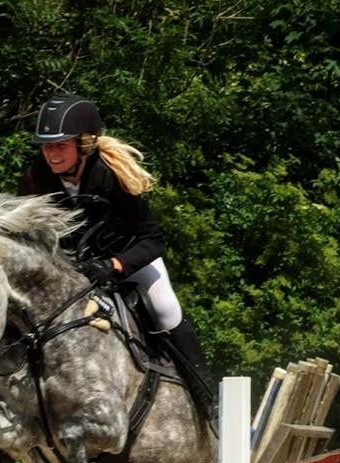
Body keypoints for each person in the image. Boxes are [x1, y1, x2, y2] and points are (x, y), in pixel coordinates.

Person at [20, 94, 217, 423]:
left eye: (60, 145)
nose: (51, 153)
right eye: (46, 146)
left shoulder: (112, 176)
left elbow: (153, 240)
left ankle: (208, 397)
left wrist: (115, 265)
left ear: (83, 145)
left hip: (129, 261)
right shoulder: (35, 181)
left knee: (166, 309)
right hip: (74, 271)